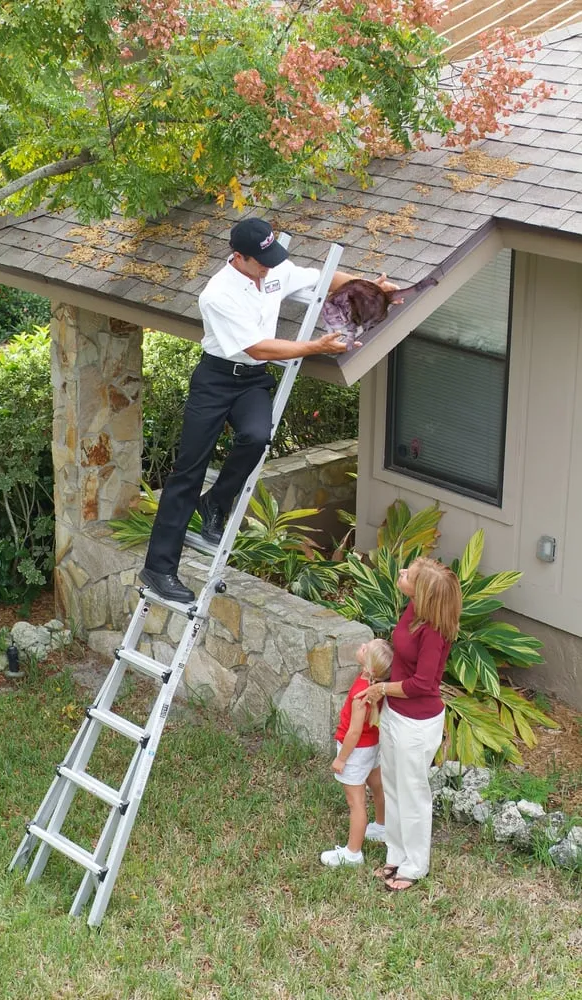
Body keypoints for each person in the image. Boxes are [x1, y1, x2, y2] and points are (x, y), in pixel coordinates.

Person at [140, 217, 400, 603]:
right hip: (215, 380)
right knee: (188, 473)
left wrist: (371, 289)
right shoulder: (218, 295)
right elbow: (258, 347)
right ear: (238, 257)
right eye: (261, 261)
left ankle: (215, 503)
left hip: (251, 382)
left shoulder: (274, 269)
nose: (268, 267)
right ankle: (159, 569)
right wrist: (316, 347)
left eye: (271, 258)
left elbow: (323, 279)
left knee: (257, 436)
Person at [356, 557, 462, 891]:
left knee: (412, 792)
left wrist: (382, 689)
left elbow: (422, 684)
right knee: (392, 785)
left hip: (416, 724)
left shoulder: (434, 632)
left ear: (422, 592)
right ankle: (396, 853)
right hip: (395, 714)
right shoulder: (414, 610)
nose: (401, 574)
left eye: (408, 576)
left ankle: (415, 865)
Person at [320, 638, 393, 868]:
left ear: (370, 668)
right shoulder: (374, 687)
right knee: (377, 786)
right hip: (372, 747)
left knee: (356, 802)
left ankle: (353, 853)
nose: (362, 645)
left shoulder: (362, 693)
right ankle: (382, 826)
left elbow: (353, 732)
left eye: (365, 648)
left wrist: (342, 759)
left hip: (356, 751)